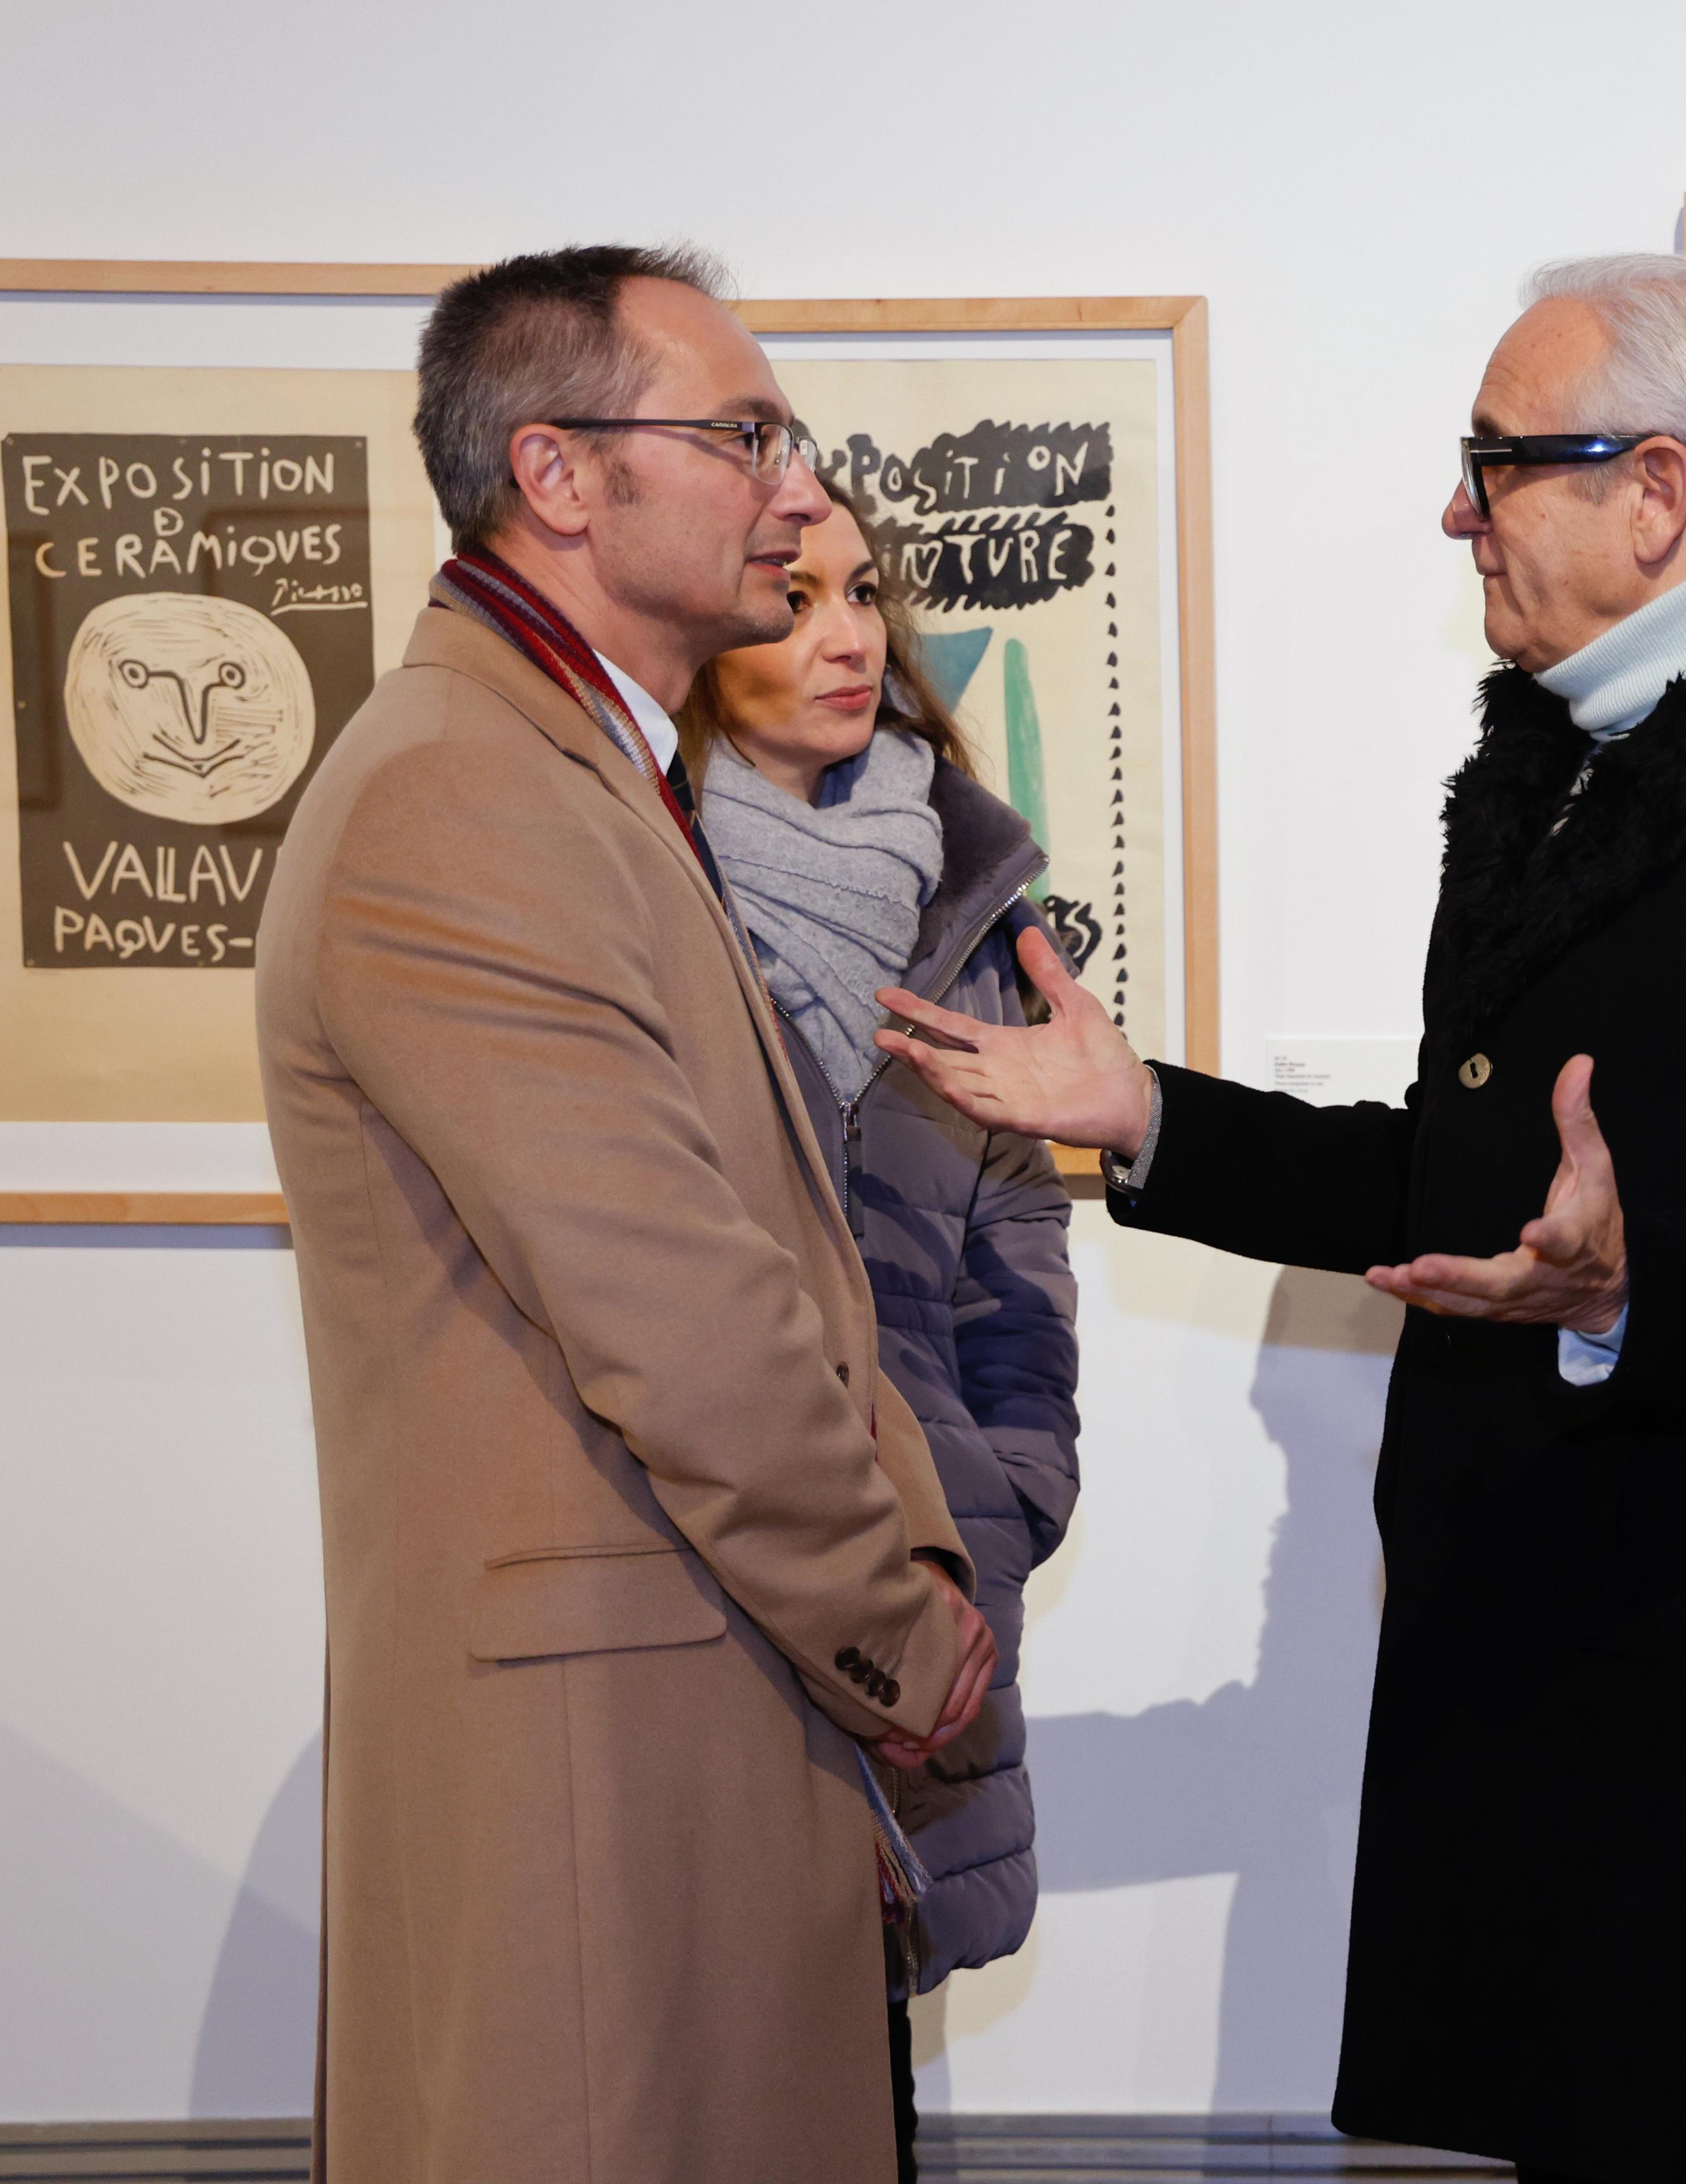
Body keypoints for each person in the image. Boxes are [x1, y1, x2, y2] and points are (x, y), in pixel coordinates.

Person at [875, 253, 1686, 2183]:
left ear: (1656, 491)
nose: (1456, 510)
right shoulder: (1565, 779)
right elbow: (1462, 1189)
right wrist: (1148, 1115)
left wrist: (1633, 1287)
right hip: (1558, 1710)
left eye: (1498, 462)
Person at [257, 246, 994, 2184]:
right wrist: (899, 1626)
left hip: (675, 1727)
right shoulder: (462, 797)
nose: (795, 488)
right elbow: (682, 1313)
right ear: (559, 474)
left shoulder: (568, 772)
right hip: (600, 1786)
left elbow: (763, 1259)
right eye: (744, 434)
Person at [679, 488, 1082, 2180]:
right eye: (793, 601)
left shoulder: (959, 897)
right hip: (709, 1562)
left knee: (862, 2079)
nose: (847, 637)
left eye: (863, 594)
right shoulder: (640, 888)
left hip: (930, 1588)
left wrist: (1013, 1479)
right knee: (685, 2064)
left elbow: (1018, 1226)